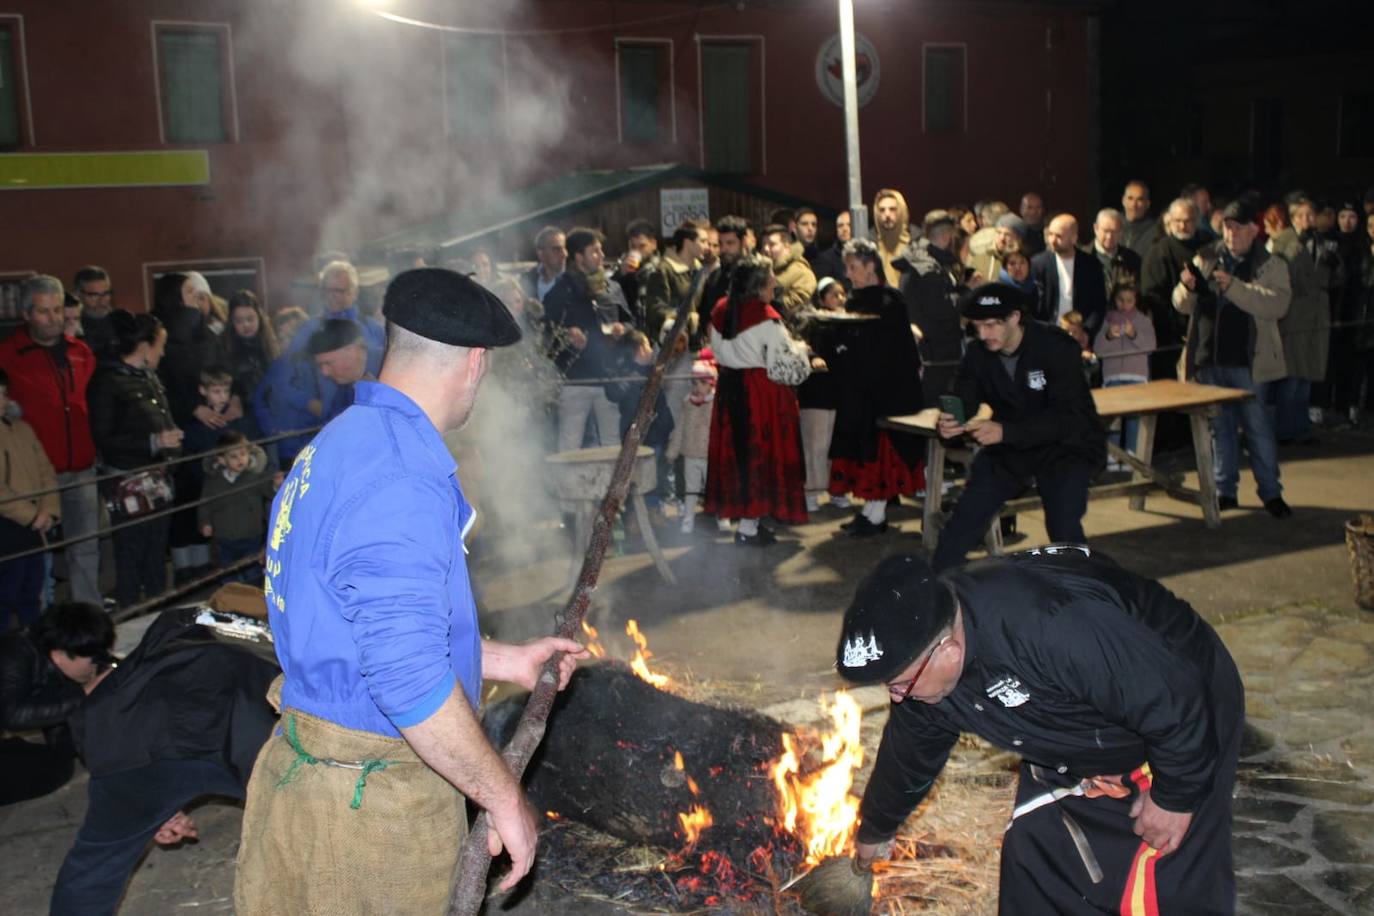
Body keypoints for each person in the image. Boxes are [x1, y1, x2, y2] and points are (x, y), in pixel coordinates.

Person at [234, 268, 586, 914]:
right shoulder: (401, 476)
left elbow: (365, 623)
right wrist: (503, 794)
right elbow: (405, 677)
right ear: (476, 364)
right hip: (369, 819)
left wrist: (502, 660)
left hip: (308, 777)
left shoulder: (342, 443)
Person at [836, 547, 1245, 915]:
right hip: (1079, 726)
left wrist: (1176, 795)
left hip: (1185, 710)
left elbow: (1172, 694)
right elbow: (908, 752)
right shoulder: (926, 676)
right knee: (1035, 855)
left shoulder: (1048, 624)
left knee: (1167, 883)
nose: (898, 696)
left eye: (902, 683)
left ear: (949, 650)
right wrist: (877, 827)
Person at [52, 605, 280, 916]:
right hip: (237, 727)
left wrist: (157, 804)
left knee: (98, 864)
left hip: (153, 734)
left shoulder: (200, 627)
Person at [932, 284, 1105, 571]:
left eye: (990, 325)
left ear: (1014, 318)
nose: (983, 334)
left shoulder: (1056, 346)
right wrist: (949, 421)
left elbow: (1069, 417)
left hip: (1065, 446)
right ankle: (937, 589)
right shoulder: (979, 353)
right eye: (977, 326)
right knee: (966, 515)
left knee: (1062, 519)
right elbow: (964, 393)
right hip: (1011, 446)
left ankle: (1085, 585)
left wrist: (1005, 432)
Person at [1173, 199, 1292, 518]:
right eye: (1226, 226)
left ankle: (1271, 493)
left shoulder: (1271, 264)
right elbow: (1181, 305)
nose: (1231, 232)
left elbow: (1277, 306)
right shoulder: (1207, 256)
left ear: (1254, 230)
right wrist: (1186, 289)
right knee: (1219, 430)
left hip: (1249, 363)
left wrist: (1236, 288)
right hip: (1209, 358)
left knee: (1259, 429)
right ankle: (1225, 491)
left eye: (1238, 227)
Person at [0, 276, 102, 607]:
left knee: (86, 546)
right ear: (27, 314)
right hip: (35, 475)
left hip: (81, 466)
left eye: (58, 310)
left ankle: (89, 616)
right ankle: (39, 622)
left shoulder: (81, 352)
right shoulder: (8, 356)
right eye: (44, 311)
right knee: (37, 554)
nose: (53, 318)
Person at [704, 255, 812, 545]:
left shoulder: (720, 311)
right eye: (771, 276)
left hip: (729, 388)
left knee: (738, 457)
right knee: (759, 457)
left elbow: (716, 349)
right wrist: (803, 353)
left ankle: (748, 522)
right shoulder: (766, 319)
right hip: (760, 396)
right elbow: (784, 368)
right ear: (761, 284)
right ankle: (749, 527)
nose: (775, 280)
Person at [827, 240, 925, 537]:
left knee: (878, 454)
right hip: (861, 391)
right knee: (863, 451)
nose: (848, 274)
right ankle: (871, 513)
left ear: (871, 266)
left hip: (885, 394)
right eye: (847, 268)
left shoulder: (889, 301)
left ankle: (875, 515)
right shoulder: (857, 300)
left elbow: (896, 352)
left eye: (853, 267)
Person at [88, 311, 183, 607]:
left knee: (156, 554)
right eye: (160, 345)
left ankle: (158, 616)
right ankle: (131, 618)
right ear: (144, 346)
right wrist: (154, 442)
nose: (163, 352)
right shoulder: (107, 381)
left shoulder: (149, 377)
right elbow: (104, 437)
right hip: (127, 484)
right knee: (130, 555)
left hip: (157, 482)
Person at [0, 602, 111, 806]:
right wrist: (85, 692)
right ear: (60, 655)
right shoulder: (13, 653)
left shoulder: (54, 656)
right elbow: (12, 715)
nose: (95, 665)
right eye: (91, 659)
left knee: (57, 767)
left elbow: (61, 735)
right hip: (7, 715)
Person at [543, 227, 627, 451]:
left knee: (612, 445)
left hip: (608, 378)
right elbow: (545, 332)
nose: (601, 256)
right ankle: (569, 488)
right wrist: (566, 334)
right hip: (574, 380)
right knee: (569, 447)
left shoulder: (611, 287)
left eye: (601, 251)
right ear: (578, 257)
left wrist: (624, 329)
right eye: (595, 252)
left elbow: (632, 323)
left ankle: (614, 487)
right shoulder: (560, 291)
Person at [1266, 198, 1334, 444]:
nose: (1307, 220)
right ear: (1292, 218)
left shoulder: (1319, 242)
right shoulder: (1286, 245)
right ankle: (1286, 430)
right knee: (1292, 377)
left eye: (1310, 215)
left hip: (1314, 319)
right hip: (1294, 319)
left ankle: (1300, 428)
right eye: (1302, 215)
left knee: (1306, 376)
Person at [0, 367, 59, 627]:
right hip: (9, 526)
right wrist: (31, 515)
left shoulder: (22, 429)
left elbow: (46, 470)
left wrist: (49, 509)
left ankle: (34, 645)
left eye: (4, 394)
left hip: (35, 525)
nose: (5, 400)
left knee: (32, 589)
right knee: (6, 593)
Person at [896, 214, 965, 405]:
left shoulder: (922, 261)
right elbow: (941, 310)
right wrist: (965, 298)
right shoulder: (927, 268)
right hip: (935, 356)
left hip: (930, 351)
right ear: (946, 237)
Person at [794, 279, 847, 513]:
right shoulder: (812, 323)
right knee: (814, 443)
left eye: (843, 294)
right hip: (815, 392)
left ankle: (836, 489)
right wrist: (813, 356)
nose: (841, 299)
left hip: (838, 392)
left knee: (834, 444)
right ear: (823, 298)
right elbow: (802, 347)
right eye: (835, 295)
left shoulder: (847, 322)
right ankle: (811, 491)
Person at [1141, 198, 1206, 381]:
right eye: (1178, 221)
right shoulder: (1158, 252)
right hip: (1171, 339)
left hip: (1205, 337)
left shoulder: (1209, 247)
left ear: (1197, 220)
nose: (1183, 226)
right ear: (1169, 221)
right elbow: (1152, 296)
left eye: (1188, 220)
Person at [198, 430, 274, 582]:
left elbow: (270, 491)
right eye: (233, 456)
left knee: (253, 574)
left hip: (251, 536)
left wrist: (277, 486)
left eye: (243, 454)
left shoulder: (255, 477)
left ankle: (251, 600)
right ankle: (231, 602)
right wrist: (204, 522)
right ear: (221, 460)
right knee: (227, 574)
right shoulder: (214, 482)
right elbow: (204, 504)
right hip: (224, 538)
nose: (240, 459)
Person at [1093, 285, 1155, 467]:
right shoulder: (1107, 321)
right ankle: (1112, 458)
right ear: (1114, 300)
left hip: (1136, 377)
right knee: (1113, 420)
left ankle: (1131, 459)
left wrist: (1133, 334)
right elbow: (1098, 349)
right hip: (1112, 377)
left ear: (1136, 301)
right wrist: (1109, 337)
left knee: (1134, 420)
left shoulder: (1143, 321)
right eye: (1121, 300)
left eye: (1129, 301)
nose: (1124, 305)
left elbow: (1150, 346)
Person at [1031, 213, 1107, 336]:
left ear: (1073, 238)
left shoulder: (1091, 265)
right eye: (1050, 234)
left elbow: (1099, 305)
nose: (1052, 240)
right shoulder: (1038, 264)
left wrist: (1087, 332)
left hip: (1078, 336)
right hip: (1046, 334)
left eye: (1058, 236)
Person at [665, 358, 717, 534]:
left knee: (715, 487)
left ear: (711, 384)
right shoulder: (688, 402)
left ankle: (722, 516)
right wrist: (673, 450)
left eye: (703, 382)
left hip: (711, 454)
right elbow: (680, 427)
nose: (698, 386)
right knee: (691, 489)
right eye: (695, 382)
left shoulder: (716, 404)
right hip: (690, 453)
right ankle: (688, 520)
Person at [219, 290, 281, 407]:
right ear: (232, 323)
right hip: (243, 408)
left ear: (259, 317)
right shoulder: (223, 346)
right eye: (239, 321)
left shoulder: (272, 341)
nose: (246, 325)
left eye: (250, 319)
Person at [307, 319, 374, 423]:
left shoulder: (389, 376)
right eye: (320, 365)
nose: (325, 373)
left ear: (352, 352)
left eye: (328, 363)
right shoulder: (343, 391)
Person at [761, 222, 817, 320]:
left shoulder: (801, 272)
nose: (766, 249)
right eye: (764, 244)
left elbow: (798, 306)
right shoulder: (763, 270)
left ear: (787, 247)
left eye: (772, 244)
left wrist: (772, 303)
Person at [1090, 208, 1143, 298]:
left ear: (1121, 232)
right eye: (1106, 231)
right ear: (1096, 228)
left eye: (1114, 232)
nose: (1109, 236)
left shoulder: (1132, 259)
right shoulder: (1083, 257)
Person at [73, 266, 119, 361]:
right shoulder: (71, 327)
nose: (102, 301)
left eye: (106, 294)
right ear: (78, 295)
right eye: (94, 295)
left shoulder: (122, 322)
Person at [873, 189, 913, 289]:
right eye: (882, 210)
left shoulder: (916, 242)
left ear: (901, 211)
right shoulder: (871, 246)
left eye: (892, 209)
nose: (887, 214)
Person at [520, 226, 567, 304]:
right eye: (556, 250)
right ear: (541, 254)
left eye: (564, 248)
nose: (564, 254)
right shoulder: (526, 280)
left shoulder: (572, 283)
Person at [1119, 180, 1158, 257]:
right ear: (1123, 201)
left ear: (1147, 204)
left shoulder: (1155, 231)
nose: (1134, 204)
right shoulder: (1114, 225)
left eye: (1140, 199)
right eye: (1130, 198)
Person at [811, 210, 849, 285]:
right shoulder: (825, 258)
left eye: (849, 225)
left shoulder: (865, 254)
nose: (845, 229)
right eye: (840, 225)